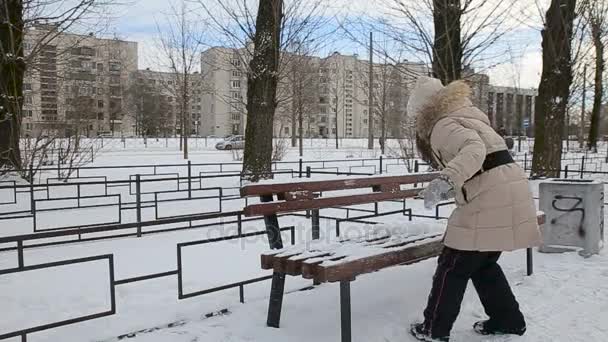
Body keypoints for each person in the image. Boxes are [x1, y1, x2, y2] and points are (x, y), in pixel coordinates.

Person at [407, 77, 541, 342]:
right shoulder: (468, 118)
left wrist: (446, 180)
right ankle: (508, 320)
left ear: (424, 110)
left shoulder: (443, 124)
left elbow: (474, 149)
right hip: (507, 192)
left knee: (452, 265)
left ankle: (433, 329)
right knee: (483, 263)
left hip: (490, 197)